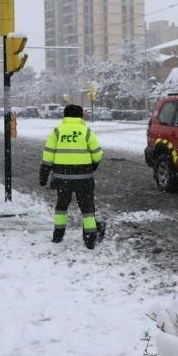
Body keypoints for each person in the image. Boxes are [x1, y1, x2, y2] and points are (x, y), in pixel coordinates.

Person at [39, 104, 103, 249]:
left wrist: (44, 174)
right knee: (87, 209)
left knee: (61, 205)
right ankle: (90, 239)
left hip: (62, 178)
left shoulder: (57, 132)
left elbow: (48, 155)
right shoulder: (86, 131)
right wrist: (93, 165)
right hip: (84, 178)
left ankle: (58, 235)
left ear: (65, 115)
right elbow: (97, 153)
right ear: (80, 116)